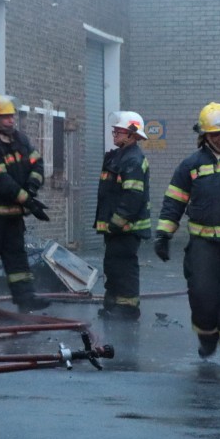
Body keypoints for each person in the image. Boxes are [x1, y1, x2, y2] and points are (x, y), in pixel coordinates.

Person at [155, 102, 220, 362]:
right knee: (201, 294)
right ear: (205, 136)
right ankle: (208, 337)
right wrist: (164, 234)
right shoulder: (191, 165)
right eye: (217, 134)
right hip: (203, 244)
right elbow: (174, 200)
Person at [0, 95, 51, 312]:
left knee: (17, 257)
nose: (11, 121)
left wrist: (32, 187)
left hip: (12, 215)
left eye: (11, 116)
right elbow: (1, 181)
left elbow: (37, 164)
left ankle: (25, 297)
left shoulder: (20, 140)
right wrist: (29, 202)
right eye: (5, 117)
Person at [94, 111, 151, 320]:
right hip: (115, 228)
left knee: (124, 267)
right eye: (115, 130)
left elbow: (132, 196)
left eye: (119, 131)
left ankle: (128, 308)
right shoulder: (117, 157)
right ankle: (112, 304)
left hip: (126, 228)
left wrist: (117, 222)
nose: (115, 133)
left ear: (132, 134)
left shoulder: (134, 160)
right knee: (112, 265)